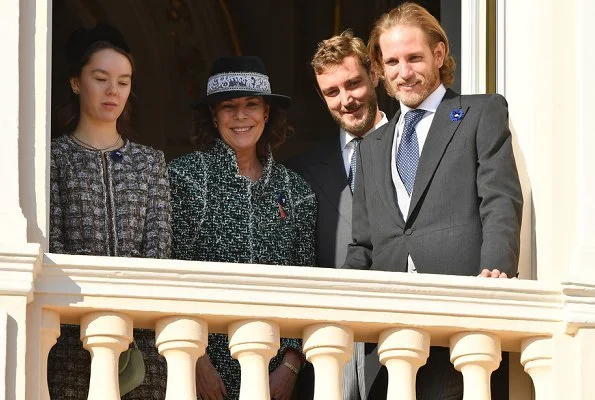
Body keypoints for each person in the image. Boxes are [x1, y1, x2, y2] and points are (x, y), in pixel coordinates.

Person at [342, 3, 523, 399]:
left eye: (414, 57)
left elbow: (500, 199)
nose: (403, 72)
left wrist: (496, 272)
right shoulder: (370, 148)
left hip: (462, 329)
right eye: (392, 61)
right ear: (379, 68)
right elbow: (364, 246)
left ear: (439, 54)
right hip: (387, 341)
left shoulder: (480, 112)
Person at [168, 55, 317, 400]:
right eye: (228, 106)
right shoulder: (185, 178)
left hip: (274, 376)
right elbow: (172, 279)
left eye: (251, 105)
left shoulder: (298, 192)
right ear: (213, 115)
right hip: (202, 376)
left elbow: (306, 287)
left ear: (266, 112)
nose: (240, 116)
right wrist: (198, 362)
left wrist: (290, 368)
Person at [48, 23, 171, 399]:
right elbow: (53, 247)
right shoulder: (54, 158)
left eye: (123, 81)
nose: (112, 90)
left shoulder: (150, 163)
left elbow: (159, 253)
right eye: (100, 78)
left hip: (140, 346)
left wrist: (132, 320)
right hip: (70, 344)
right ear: (75, 82)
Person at [286, 30, 386, 400]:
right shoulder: (302, 169)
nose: (346, 100)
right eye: (332, 91)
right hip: (327, 346)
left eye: (354, 83)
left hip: (398, 334)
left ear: (374, 75)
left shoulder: (415, 146)